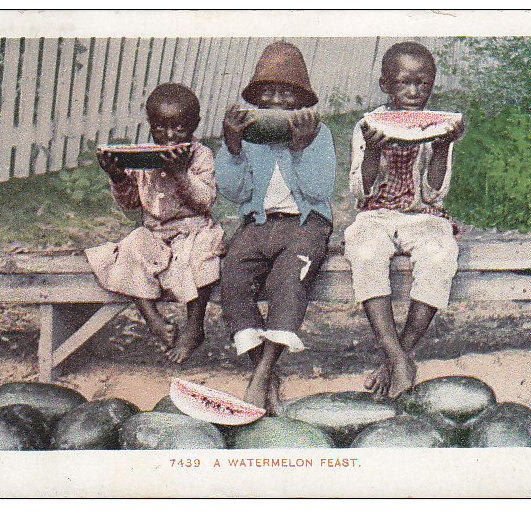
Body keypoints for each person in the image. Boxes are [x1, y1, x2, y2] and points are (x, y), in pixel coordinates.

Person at [216, 41, 336, 411]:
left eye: (286, 93)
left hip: (306, 224)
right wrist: (233, 149)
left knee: (288, 280)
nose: (276, 100)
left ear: (301, 101)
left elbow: (318, 191)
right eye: (266, 92)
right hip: (258, 225)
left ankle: (263, 373)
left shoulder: (319, 133)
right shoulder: (249, 136)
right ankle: (261, 371)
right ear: (255, 100)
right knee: (233, 278)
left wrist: (301, 147)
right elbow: (235, 193)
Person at [345, 41, 466, 398]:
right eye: (403, 83)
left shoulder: (439, 127)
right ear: (385, 85)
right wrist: (373, 153)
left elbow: (433, 195)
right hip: (376, 214)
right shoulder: (367, 126)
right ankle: (398, 355)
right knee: (364, 252)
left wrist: (442, 148)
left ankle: (397, 357)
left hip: (421, 214)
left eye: (423, 84)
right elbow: (361, 193)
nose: (414, 92)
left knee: (441, 254)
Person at [86, 83, 223, 364]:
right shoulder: (142, 157)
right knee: (131, 247)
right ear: (149, 124)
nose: (169, 136)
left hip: (192, 230)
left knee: (202, 253)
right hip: (155, 234)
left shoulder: (200, 156)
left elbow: (204, 201)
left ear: (195, 125)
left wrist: (180, 174)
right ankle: (153, 319)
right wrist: (117, 176)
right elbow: (131, 204)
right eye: (160, 128)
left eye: (179, 129)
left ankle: (194, 326)